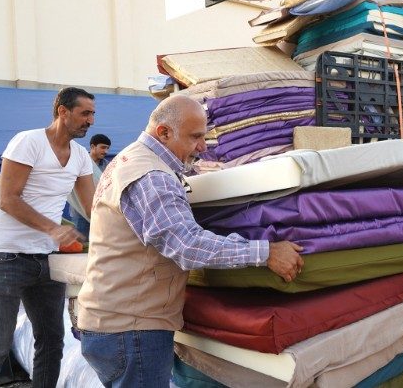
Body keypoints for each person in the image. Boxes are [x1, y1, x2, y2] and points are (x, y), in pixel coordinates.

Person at [77, 95, 304, 387]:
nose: (203, 146)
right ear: (164, 132)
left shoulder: (128, 161)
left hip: (113, 322)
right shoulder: (152, 176)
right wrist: (266, 252)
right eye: (195, 136)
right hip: (132, 329)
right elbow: (187, 245)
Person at [0, 87, 96, 388]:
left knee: (52, 341)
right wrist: (52, 229)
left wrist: (127, 231)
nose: (90, 120)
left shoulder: (80, 156)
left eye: (92, 114)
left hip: (47, 260)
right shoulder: (29, 142)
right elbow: (8, 199)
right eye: (84, 113)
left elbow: (92, 209)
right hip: (5, 256)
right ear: (63, 112)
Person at [68, 133, 111, 239]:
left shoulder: (109, 166)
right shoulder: (80, 161)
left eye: (108, 148)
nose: (106, 151)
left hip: (100, 211)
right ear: (92, 147)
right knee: (80, 243)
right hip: (80, 211)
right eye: (103, 147)